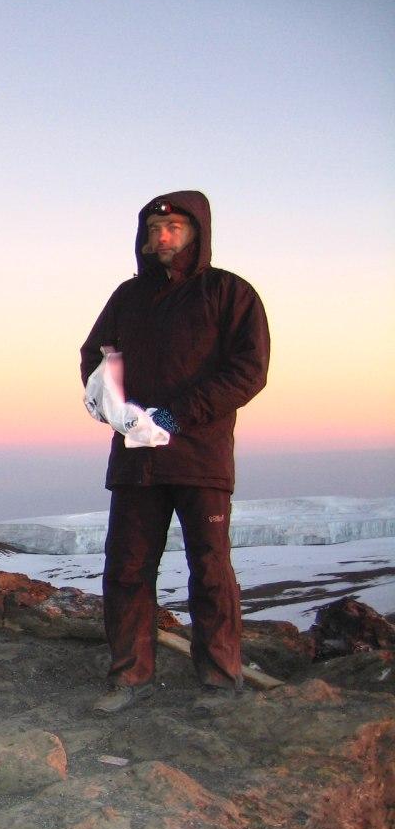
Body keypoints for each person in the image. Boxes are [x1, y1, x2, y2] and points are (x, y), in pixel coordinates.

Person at [79, 190, 270, 714]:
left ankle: (218, 679)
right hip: (136, 458)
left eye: (174, 228)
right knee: (126, 567)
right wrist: (110, 404)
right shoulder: (128, 296)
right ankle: (129, 676)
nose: (161, 237)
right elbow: (96, 354)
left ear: (196, 232)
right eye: (154, 229)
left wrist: (176, 415)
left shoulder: (229, 293)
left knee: (210, 568)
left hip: (199, 456)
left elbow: (248, 371)